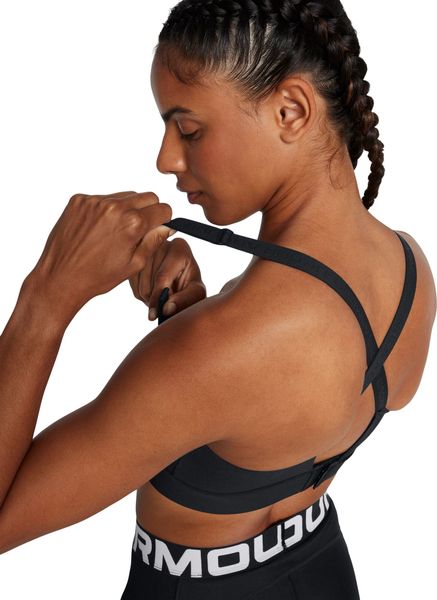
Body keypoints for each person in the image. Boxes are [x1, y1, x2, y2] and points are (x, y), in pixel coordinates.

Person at [0, 1, 435, 599]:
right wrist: (193, 317)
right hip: (324, 570)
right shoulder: (409, 268)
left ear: (291, 110)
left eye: (189, 130)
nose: (166, 159)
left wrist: (47, 297)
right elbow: (265, 408)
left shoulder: (217, 348)